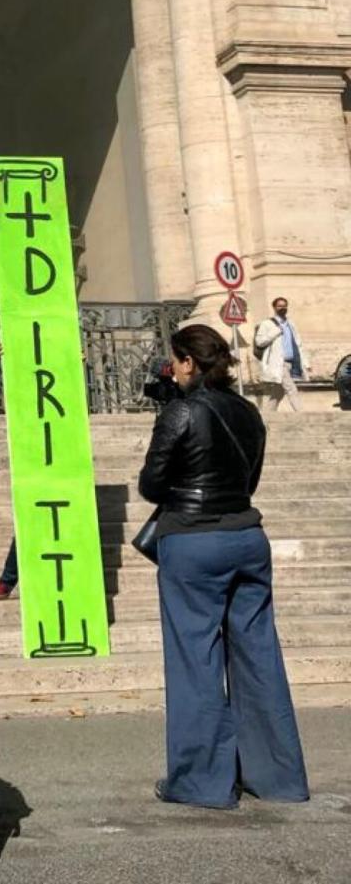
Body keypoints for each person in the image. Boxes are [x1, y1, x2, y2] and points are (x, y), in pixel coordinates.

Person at [138, 322, 308, 810]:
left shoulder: (180, 412)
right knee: (260, 658)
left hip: (193, 541)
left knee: (196, 660)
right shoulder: (249, 413)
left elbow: (152, 485)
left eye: (177, 360)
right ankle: (279, 778)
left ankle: (202, 782)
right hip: (248, 538)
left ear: (189, 362)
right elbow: (250, 479)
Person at [253, 297, 309, 413]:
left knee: (278, 392)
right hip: (279, 362)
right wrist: (276, 331)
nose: (282, 308)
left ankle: (267, 414)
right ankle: (302, 414)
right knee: (291, 388)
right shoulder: (267, 324)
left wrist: (306, 362)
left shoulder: (291, 324)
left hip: (291, 362)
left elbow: (298, 344)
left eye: (284, 306)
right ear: (274, 308)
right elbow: (259, 341)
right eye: (279, 306)